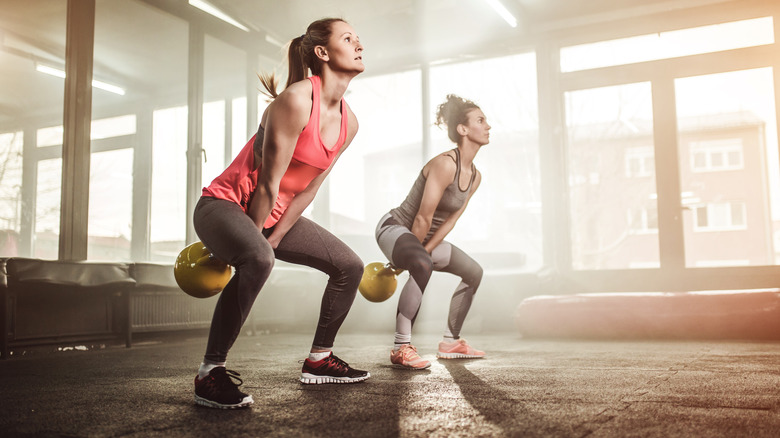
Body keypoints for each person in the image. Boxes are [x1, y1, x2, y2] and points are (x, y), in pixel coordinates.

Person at [192, 18, 369, 409]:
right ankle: (209, 372)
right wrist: (257, 246)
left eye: (358, 39)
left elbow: (309, 188)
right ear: (322, 53)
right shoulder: (295, 100)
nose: (359, 45)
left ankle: (320, 359)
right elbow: (267, 186)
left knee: (349, 265)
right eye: (348, 38)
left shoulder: (348, 123)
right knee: (257, 258)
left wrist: (272, 238)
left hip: (272, 215)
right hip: (223, 205)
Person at [375, 94, 489, 369]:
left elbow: (450, 221)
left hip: (421, 240)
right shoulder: (445, 164)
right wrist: (416, 257)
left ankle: (451, 341)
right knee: (422, 263)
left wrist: (421, 253)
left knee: (474, 272)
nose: (488, 126)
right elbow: (423, 218)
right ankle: (401, 348)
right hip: (395, 228)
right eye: (481, 120)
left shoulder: (475, 176)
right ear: (463, 129)